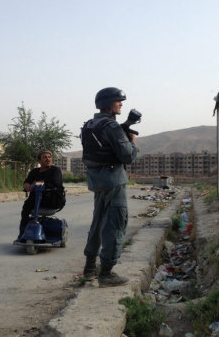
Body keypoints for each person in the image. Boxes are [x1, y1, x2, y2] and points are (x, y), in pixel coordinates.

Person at [80, 87, 138, 287]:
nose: (121, 104)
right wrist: (132, 142)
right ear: (108, 103)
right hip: (114, 179)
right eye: (118, 101)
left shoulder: (89, 125)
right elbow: (127, 156)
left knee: (98, 221)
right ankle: (106, 273)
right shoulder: (111, 127)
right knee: (115, 223)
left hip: (97, 180)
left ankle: (89, 268)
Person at [18, 150, 64, 237]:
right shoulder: (34, 171)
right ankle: (22, 232)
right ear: (39, 161)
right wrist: (27, 185)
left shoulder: (55, 170)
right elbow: (27, 182)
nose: (48, 159)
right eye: (45, 157)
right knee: (25, 210)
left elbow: (54, 183)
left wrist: (37, 183)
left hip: (51, 199)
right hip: (35, 199)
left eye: (49, 157)